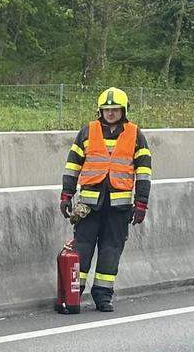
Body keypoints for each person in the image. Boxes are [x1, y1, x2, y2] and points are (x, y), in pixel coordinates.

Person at [60, 87, 152, 312]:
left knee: (111, 251)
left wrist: (141, 203)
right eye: (106, 109)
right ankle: (73, 297)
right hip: (89, 207)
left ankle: (103, 296)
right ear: (100, 110)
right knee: (83, 249)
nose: (110, 113)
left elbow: (144, 172)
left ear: (124, 110)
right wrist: (66, 194)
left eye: (115, 109)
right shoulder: (87, 132)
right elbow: (73, 166)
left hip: (119, 207)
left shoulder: (135, 134)